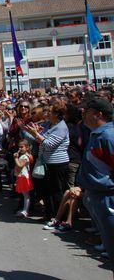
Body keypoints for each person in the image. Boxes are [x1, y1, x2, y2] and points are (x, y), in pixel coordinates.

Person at [76, 98, 114, 274]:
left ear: (98, 114)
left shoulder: (108, 136)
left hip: (109, 198)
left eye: (87, 111)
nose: (83, 114)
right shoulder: (96, 134)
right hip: (98, 196)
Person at [24, 101, 70, 221]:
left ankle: (60, 217)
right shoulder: (49, 124)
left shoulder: (61, 127)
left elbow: (49, 144)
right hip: (46, 161)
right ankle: (49, 215)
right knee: (46, 190)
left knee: (56, 191)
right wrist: (35, 133)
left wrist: (36, 134)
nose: (47, 113)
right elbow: (41, 138)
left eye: (49, 111)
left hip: (57, 163)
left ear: (56, 114)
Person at [14, 139, 34, 217]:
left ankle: (25, 210)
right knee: (24, 194)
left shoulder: (25, 156)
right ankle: (24, 209)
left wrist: (15, 158)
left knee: (26, 195)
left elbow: (20, 165)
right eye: (19, 147)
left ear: (27, 147)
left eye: (22, 147)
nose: (20, 149)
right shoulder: (23, 155)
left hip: (24, 177)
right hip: (21, 176)